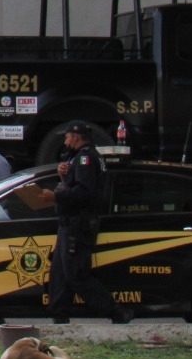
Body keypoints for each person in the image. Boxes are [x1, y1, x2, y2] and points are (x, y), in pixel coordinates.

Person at [40, 121, 132, 324]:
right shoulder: (78, 158)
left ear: (75, 137)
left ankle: (115, 310)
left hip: (77, 225)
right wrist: (62, 177)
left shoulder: (86, 159)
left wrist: (55, 197)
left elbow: (84, 192)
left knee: (76, 274)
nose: (64, 141)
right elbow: (74, 187)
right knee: (60, 274)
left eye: (66, 137)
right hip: (68, 224)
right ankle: (59, 316)